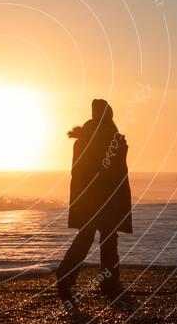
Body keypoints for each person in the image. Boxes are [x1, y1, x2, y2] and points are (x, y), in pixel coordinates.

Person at [56, 98, 133, 301]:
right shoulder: (113, 138)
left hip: (87, 198)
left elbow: (78, 171)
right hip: (108, 198)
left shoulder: (83, 139)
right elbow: (117, 171)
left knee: (85, 237)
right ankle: (109, 283)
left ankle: (66, 274)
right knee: (108, 240)